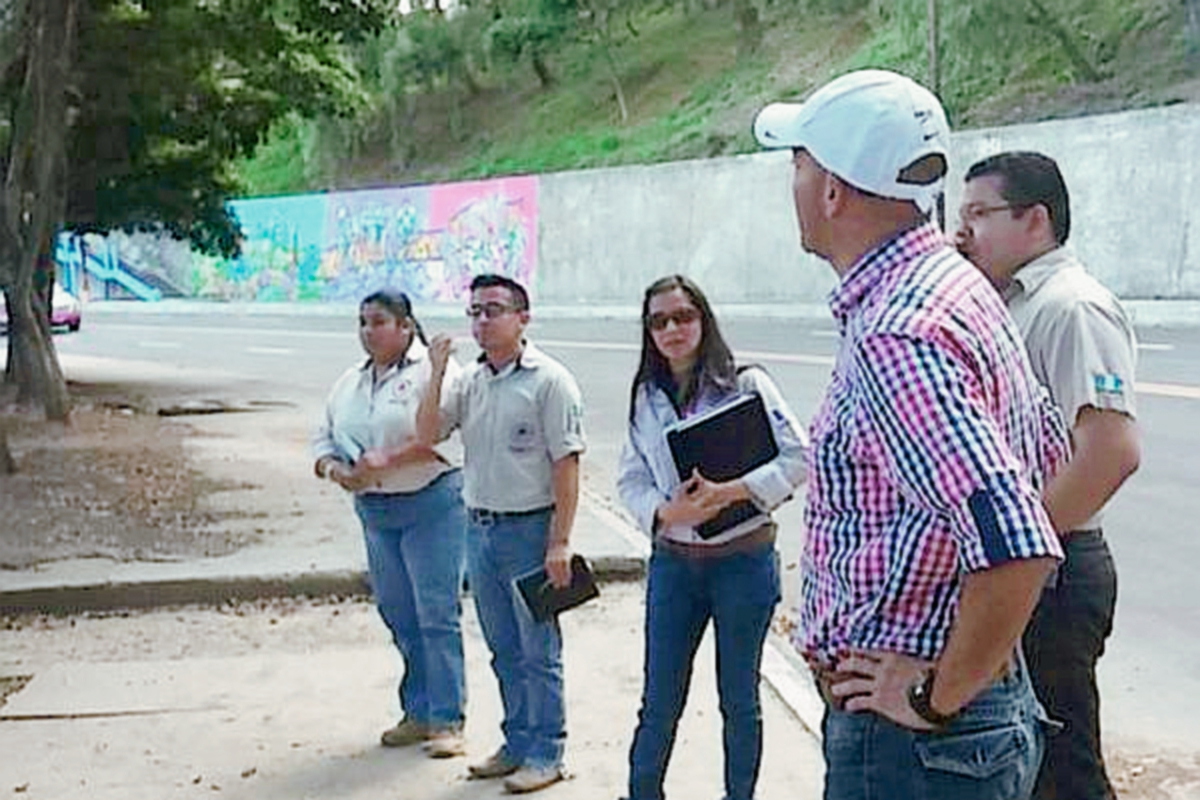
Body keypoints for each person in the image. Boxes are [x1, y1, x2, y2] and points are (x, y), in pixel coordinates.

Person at [753, 69, 1071, 800]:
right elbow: (1048, 463)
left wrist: (935, 694)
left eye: (798, 163)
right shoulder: (953, 286)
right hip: (961, 726)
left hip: (917, 747)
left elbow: (1017, 543)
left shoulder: (899, 331)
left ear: (832, 189)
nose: (793, 182)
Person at [955, 151, 1140, 800]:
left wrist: (1016, 548)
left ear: (1035, 220)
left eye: (979, 213)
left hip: (1057, 570)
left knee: (1063, 771)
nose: (963, 231)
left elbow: (1110, 452)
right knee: (1024, 760)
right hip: (1033, 561)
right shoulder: (1003, 304)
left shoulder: (1071, 307)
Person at [615, 275, 807, 800]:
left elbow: (799, 456)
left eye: (683, 316)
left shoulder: (746, 385)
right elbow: (630, 478)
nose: (673, 329)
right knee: (659, 699)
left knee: (738, 698)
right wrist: (663, 510)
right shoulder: (645, 397)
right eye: (659, 321)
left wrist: (734, 491)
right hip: (674, 566)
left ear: (703, 320)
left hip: (742, 563)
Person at [416, 273, 586, 795]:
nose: (482, 321)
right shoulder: (470, 381)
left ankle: (547, 751)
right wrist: (438, 369)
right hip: (481, 527)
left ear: (522, 318)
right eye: (475, 312)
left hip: (530, 530)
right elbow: (427, 435)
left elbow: (566, 464)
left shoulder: (549, 381)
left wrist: (560, 540)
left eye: (493, 310)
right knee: (502, 647)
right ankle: (515, 740)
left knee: (539, 649)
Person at [311, 289, 469, 759]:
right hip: (376, 510)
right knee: (398, 612)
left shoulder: (434, 373)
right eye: (362, 322)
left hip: (431, 504)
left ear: (404, 326)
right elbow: (323, 435)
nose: (368, 331)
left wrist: (388, 459)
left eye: (378, 321)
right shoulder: (351, 382)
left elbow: (441, 435)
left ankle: (447, 717)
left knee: (436, 613)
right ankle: (416, 709)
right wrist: (336, 470)